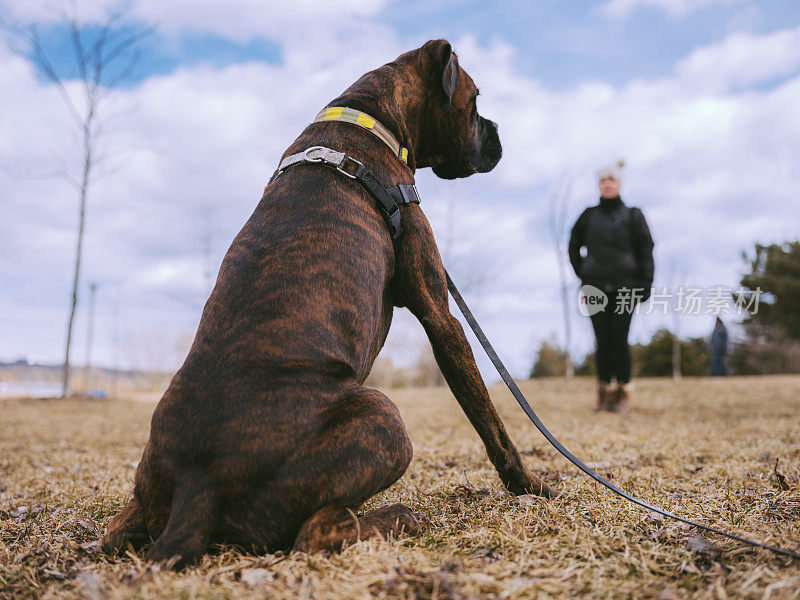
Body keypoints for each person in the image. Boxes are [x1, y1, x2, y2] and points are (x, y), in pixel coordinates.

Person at [569, 161, 654, 412]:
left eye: (611, 180)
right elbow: (573, 245)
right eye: (603, 181)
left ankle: (622, 393)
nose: (607, 184)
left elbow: (646, 251)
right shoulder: (588, 216)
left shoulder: (633, 215)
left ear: (618, 184)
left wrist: (646, 283)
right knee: (602, 341)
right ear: (599, 185)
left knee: (619, 339)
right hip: (594, 287)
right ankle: (604, 392)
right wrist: (582, 271)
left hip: (626, 286)